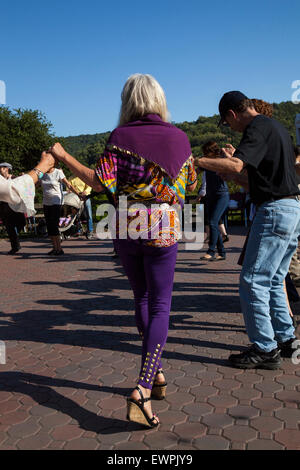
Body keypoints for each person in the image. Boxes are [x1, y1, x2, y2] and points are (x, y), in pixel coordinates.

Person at [48, 73, 197, 428]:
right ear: (159, 99)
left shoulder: (120, 137)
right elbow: (190, 185)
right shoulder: (180, 138)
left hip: (125, 221)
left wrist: (64, 154)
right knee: (161, 304)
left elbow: (100, 184)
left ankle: (155, 374)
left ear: (127, 101)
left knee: (142, 300)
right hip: (163, 221)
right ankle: (143, 386)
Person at [195, 91, 300, 369]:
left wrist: (198, 162)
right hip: (291, 209)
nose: (231, 128)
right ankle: (286, 338)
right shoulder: (276, 128)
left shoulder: (257, 127)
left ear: (231, 114)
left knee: (252, 281)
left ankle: (265, 348)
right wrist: (234, 177)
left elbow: (237, 162)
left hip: (274, 212)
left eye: (227, 123)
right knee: (275, 279)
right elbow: (264, 180)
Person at [196, 141, 229, 261]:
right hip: (210, 196)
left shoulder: (221, 160)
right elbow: (195, 173)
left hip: (222, 195)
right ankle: (222, 252)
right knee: (213, 223)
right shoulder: (205, 163)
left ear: (211, 151)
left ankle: (211, 251)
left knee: (213, 222)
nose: (204, 154)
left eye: (206, 152)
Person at [40, 164, 79, 255]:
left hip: (56, 202)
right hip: (46, 202)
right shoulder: (42, 174)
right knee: (49, 226)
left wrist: (78, 194)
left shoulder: (58, 172)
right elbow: (35, 184)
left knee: (54, 226)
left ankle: (59, 249)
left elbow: (68, 185)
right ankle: (54, 248)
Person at [0, 162, 26, 254]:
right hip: (4, 207)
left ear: (7, 169)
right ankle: (15, 247)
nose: (0, 169)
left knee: (22, 222)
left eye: (2, 168)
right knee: (9, 227)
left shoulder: (15, 178)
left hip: (16, 206)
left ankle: (15, 238)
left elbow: (23, 189)